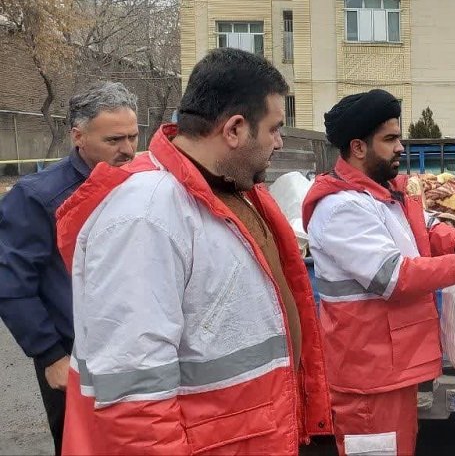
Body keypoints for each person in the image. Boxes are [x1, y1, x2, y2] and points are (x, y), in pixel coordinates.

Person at [55, 48, 332, 454]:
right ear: (235, 129)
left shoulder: (236, 190)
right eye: (274, 128)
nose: (279, 142)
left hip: (249, 435)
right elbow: (135, 400)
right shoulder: (145, 217)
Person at [303, 89, 455, 456]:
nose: (401, 148)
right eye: (390, 139)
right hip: (367, 377)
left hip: (388, 367)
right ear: (358, 147)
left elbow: (426, 228)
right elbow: (392, 277)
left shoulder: (384, 194)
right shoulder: (341, 208)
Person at [0, 81, 138, 455]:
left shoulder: (140, 184)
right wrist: (50, 355)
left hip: (135, 348)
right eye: (114, 140)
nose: (127, 150)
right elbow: (11, 284)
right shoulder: (39, 196)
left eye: (133, 137)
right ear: (79, 136)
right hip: (72, 358)